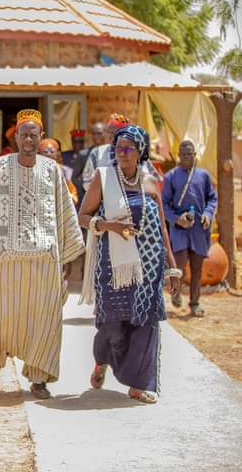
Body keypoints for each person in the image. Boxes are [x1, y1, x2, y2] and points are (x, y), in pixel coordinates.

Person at [0, 109, 84, 400]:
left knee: (44, 321)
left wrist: (67, 257)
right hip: (5, 259)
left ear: (41, 137)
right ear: (15, 138)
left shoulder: (53, 171)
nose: (28, 139)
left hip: (45, 260)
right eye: (23, 134)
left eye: (33, 134)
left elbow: (65, 213)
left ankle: (39, 378)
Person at [79, 125, 181, 404]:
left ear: (140, 152)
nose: (121, 154)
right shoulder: (104, 177)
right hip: (114, 267)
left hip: (149, 266)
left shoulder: (150, 182)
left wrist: (172, 267)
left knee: (145, 322)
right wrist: (108, 225)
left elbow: (162, 227)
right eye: (118, 149)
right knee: (112, 325)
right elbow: (83, 216)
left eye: (128, 149)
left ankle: (140, 384)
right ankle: (102, 359)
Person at [162, 140, 218, 316]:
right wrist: (177, 219)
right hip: (179, 230)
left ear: (195, 155)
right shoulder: (171, 176)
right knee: (178, 265)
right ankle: (176, 292)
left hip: (199, 230)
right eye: (184, 154)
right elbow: (163, 204)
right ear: (178, 155)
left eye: (190, 154)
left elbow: (212, 198)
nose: (187, 157)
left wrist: (208, 214)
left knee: (197, 268)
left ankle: (194, 303)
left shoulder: (204, 176)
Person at [40, 138, 78, 205]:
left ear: (57, 153)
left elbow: (73, 194)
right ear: (39, 154)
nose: (49, 154)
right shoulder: (34, 169)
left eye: (52, 151)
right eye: (45, 152)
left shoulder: (65, 171)